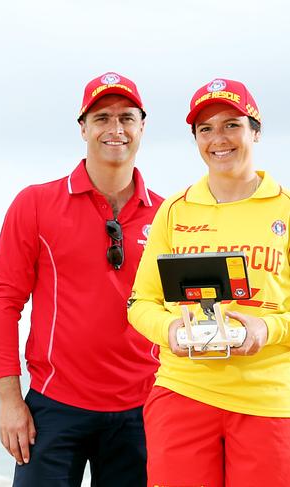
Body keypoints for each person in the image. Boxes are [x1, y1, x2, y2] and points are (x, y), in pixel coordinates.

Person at [0, 72, 164, 487]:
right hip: (55, 406)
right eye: (101, 117)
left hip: (143, 408)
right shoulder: (35, 203)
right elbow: (3, 302)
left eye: (126, 118)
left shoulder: (169, 212)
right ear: (83, 127)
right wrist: (9, 401)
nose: (115, 129)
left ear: (142, 126)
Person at [128, 78, 290, 486]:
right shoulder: (173, 211)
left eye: (232, 124)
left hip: (268, 401)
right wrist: (170, 329)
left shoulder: (285, 210)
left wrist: (266, 327)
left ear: (255, 130)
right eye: (205, 128)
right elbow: (140, 302)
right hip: (183, 392)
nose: (219, 138)